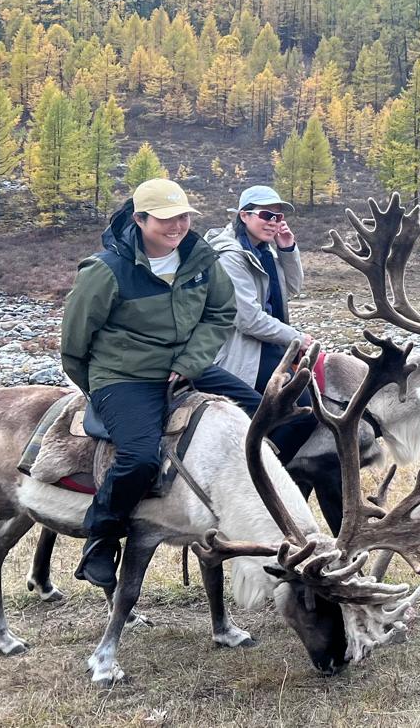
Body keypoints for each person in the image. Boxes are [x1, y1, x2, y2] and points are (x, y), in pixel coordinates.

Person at [60, 178, 264, 590]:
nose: (178, 226)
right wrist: (101, 389)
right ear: (139, 219)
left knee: (266, 415)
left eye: (185, 216)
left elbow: (220, 313)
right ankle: (101, 537)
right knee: (139, 458)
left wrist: (191, 361)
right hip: (124, 377)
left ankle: (246, 505)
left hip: (186, 366)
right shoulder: (106, 271)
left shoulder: (201, 259)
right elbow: (74, 343)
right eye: (166, 219)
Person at [204, 185, 336, 527]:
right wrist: (297, 337)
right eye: (266, 215)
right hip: (241, 352)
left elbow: (292, 288)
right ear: (243, 215)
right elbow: (246, 318)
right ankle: (260, 473)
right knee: (300, 412)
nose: (274, 221)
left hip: (268, 348)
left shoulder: (263, 251)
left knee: (303, 408)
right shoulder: (232, 255)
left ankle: (265, 466)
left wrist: (287, 248)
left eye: (278, 215)